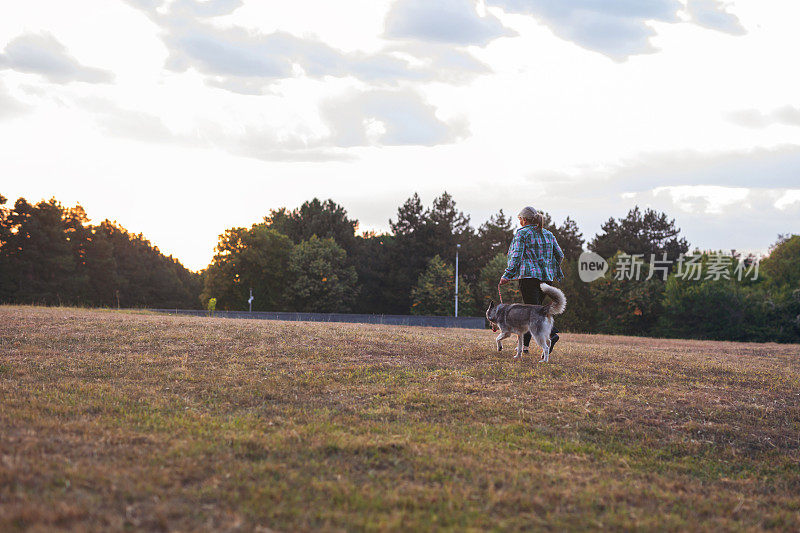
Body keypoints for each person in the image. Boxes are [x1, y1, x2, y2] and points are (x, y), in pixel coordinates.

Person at [499, 206, 564, 354]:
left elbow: (516, 257)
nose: (519, 221)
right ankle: (525, 347)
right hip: (546, 278)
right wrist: (553, 268)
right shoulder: (548, 234)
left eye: (519, 219)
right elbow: (560, 255)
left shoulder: (522, 234)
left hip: (529, 278)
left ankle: (552, 334)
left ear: (524, 219)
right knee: (534, 310)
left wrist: (507, 275)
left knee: (532, 313)